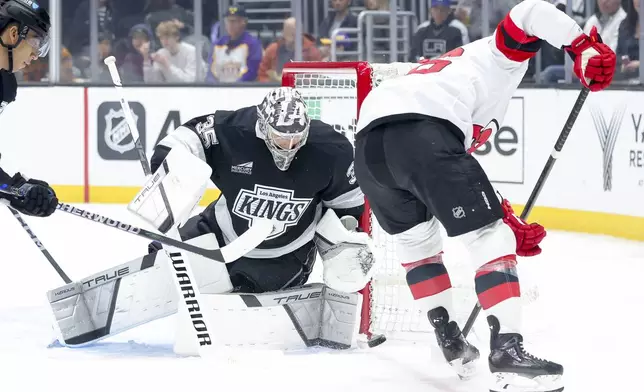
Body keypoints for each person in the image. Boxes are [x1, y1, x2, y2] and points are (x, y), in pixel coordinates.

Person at [353, 0, 615, 390]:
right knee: (491, 238)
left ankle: (451, 341)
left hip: (370, 149)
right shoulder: (499, 55)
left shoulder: (452, 75)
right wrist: (581, 45)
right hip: (422, 132)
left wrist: (500, 211)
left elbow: (446, 170)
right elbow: (530, 11)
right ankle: (508, 353)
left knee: (417, 243)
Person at [148, 87, 367, 294]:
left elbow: (347, 206)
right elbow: (188, 137)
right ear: (263, 126)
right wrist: (166, 167)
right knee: (161, 257)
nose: (289, 146)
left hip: (284, 255)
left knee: (245, 292)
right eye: (281, 136)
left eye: (296, 138)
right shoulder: (235, 131)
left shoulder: (331, 149)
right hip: (222, 232)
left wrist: (343, 247)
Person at [0, 0, 58, 217]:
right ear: (13, 34)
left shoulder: (3, 84)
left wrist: (17, 189)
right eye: (36, 42)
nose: (36, 55)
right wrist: (14, 190)